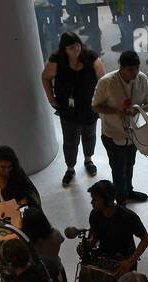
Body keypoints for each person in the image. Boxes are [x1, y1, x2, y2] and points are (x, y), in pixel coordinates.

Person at [43, 31, 104, 186]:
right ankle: (70, 168)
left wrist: (100, 102)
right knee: (70, 140)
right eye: (71, 47)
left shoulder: (91, 57)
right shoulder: (56, 60)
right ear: (64, 49)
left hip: (89, 106)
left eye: (77, 45)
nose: (76, 49)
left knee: (89, 135)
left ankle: (88, 160)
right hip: (68, 109)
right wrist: (51, 99)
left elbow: (103, 80)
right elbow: (45, 77)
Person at [92, 50, 148, 204]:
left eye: (137, 69)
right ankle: (120, 201)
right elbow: (95, 107)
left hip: (133, 134)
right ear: (121, 67)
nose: (134, 73)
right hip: (112, 134)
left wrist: (137, 109)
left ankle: (128, 191)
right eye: (130, 70)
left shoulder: (142, 79)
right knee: (118, 169)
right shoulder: (106, 82)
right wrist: (117, 111)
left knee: (130, 164)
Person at [0, 145, 43, 213]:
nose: (6, 171)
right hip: (5, 217)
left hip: (25, 212)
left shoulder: (17, 171)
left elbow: (30, 191)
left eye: (9, 167)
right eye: (2, 167)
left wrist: (24, 201)